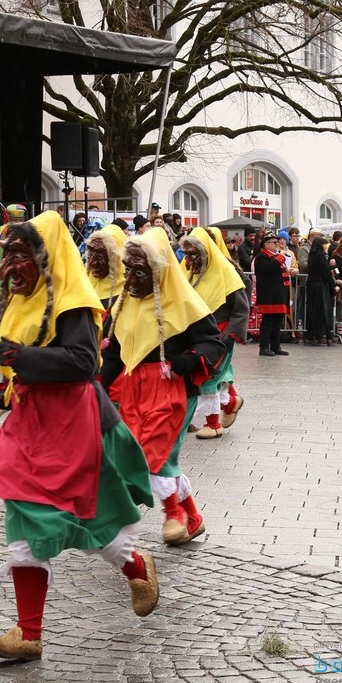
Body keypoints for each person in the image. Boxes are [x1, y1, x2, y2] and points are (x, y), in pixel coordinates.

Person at [0, 212, 158, 661]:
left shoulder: (73, 300)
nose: (11, 265)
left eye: (21, 255)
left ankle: (136, 566)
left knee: (87, 516)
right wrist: (9, 386)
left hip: (71, 423)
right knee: (24, 513)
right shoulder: (23, 300)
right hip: (29, 424)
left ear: (44, 256)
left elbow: (83, 362)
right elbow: (23, 359)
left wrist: (25, 361)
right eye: (9, 255)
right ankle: (29, 633)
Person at [100, 228, 225, 546]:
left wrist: (191, 358)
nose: (131, 279)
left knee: (155, 453)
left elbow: (212, 343)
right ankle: (192, 517)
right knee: (132, 453)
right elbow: (114, 353)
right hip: (134, 389)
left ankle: (173, 515)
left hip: (172, 390)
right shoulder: (123, 305)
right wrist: (96, 384)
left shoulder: (183, 301)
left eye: (139, 271)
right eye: (127, 270)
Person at [180, 227, 248, 439]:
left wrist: (230, 336)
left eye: (194, 254)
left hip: (219, 332)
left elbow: (241, 308)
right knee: (198, 376)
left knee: (207, 377)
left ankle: (214, 423)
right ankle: (228, 403)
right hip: (193, 332)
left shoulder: (226, 270)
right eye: (187, 254)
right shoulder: (187, 271)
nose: (190, 259)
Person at [254, 232, 292, 356]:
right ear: (266, 244)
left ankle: (276, 346)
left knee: (277, 322)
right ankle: (264, 347)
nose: (277, 244)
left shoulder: (276, 256)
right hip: (268, 295)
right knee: (268, 322)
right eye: (274, 242)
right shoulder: (261, 257)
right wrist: (280, 257)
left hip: (279, 294)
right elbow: (269, 268)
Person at [305, 236, 335, 345]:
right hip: (319, 286)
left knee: (312, 311)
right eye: (324, 244)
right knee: (321, 311)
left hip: (312, 285)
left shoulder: (312, 255)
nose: (326, 246)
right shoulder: (320, 256)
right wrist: (333, 285)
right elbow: (325, 272)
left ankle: (311, 335)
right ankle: (319, 335)